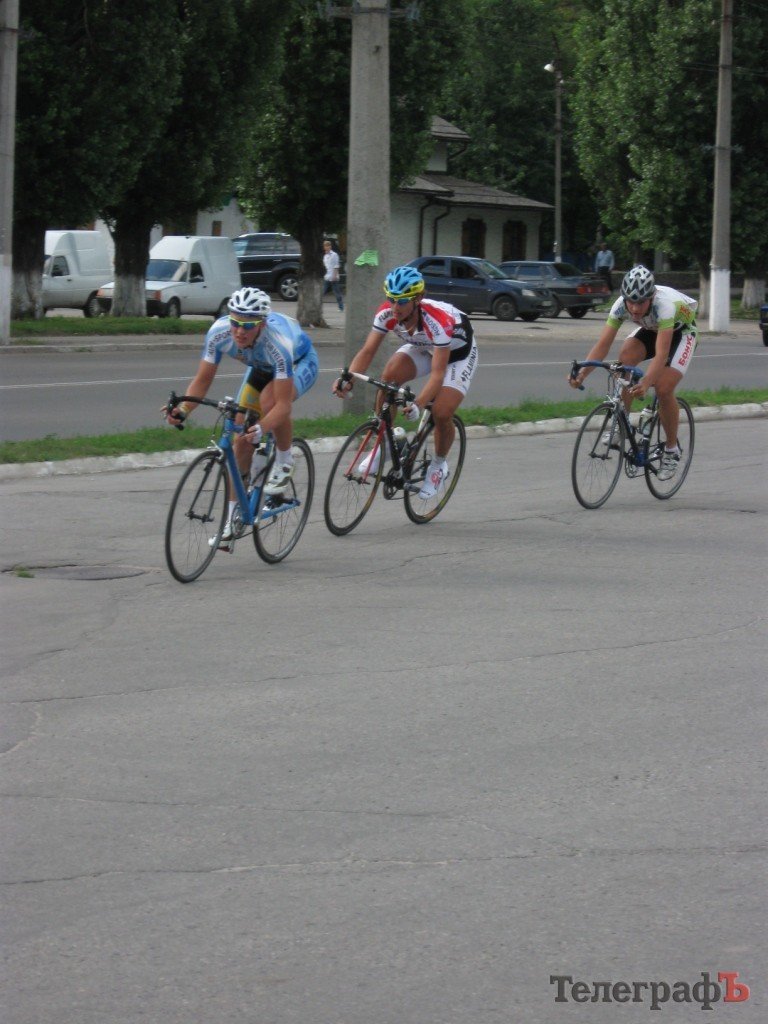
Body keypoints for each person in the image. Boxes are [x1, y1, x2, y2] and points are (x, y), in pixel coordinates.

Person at [165, 286, 318, 542]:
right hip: (260, 367)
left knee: (269, 402)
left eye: (248, 326)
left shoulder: (277, 344)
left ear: (262, 324)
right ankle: (233, 520)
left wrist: (263, 427)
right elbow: (202, 380)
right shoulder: (218, 333)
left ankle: (284, 460)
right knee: (240, 438)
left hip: (298, 362)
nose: (239, 331)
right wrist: (183, 410)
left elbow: (283, 406)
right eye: (235, 322)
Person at [332, 264, 479, 499]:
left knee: (441, 411)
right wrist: (348, 378)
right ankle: (385, 443)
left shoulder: (437, 321)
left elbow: (438, 374)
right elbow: (368, 351)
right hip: (425, 346)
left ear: (418, 299)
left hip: (457, 356)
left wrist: (418, 404)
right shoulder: (387, 314)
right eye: (391, 299)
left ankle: (438, 466)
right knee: (388, 378)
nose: (394, 307)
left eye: (401, 301)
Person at [568, 265, 698, 481]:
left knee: (663, 388)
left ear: (651, 297)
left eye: (641, 302)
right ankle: (622, 424)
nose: (635, 308)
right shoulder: (620, 306)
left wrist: (646, 382)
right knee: (625, 359)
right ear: (624, 298)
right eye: (631, 301)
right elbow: (602, 346)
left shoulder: (664, 305)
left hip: (681, 333)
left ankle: (671, 450)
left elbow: (661, 355)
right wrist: (582, 374)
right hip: (652, 329)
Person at [322, 240, 344, 311]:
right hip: (327, 277)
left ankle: (341, 307)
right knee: (322, 292)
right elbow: (326, 267)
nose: (326, 247)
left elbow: (336, 265)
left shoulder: (334, 255)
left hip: (334, 277)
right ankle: (317, 306)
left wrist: (334, 275)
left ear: (330, 246)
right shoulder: (325, 256)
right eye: (325, 246)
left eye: (328, 246)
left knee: (337, 293)